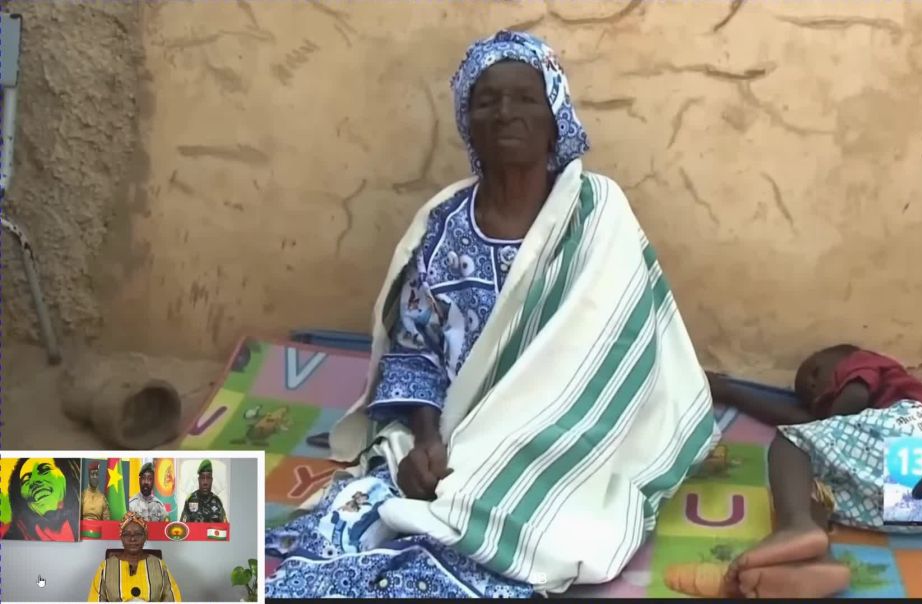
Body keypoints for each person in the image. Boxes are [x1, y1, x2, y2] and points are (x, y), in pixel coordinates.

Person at [264, 30, 717, 599]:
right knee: (353, 520)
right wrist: (427, 439)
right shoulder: (445, 226)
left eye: (525, 98)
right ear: (467, 121)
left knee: (536, 524)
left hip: (557, 443)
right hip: (450, 432)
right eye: (487, 100)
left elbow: (615, 361)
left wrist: (500, 451)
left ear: (555, 116)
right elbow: (414, 348)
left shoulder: (598, 216)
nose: (505, 113)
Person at [709, 344, 922, 598]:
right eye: (808, 398)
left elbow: (847, 402)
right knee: (809, 483)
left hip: (921, 439)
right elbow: (808, 422)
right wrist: (730, 393)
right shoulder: (851, 436)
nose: (812, 388)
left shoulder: (866, 363)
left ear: (843, 358)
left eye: (815, 373)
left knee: (792, 440)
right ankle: (818, 562)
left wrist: (730, 392)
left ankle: (795, 525)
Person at [87, 512, 182, 602]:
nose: (132, 538)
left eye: (138, 534)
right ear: (121, 537)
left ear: (145, 537)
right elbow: (95, 599)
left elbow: (173, 598)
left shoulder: (159, 565)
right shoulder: (105, 567)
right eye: (127, 534)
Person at [5, 457, 82, 540]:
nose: (34, 481)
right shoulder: (15, 536)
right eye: (26, 479)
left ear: (65, 474)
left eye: (45, 470)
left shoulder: (81, 521)